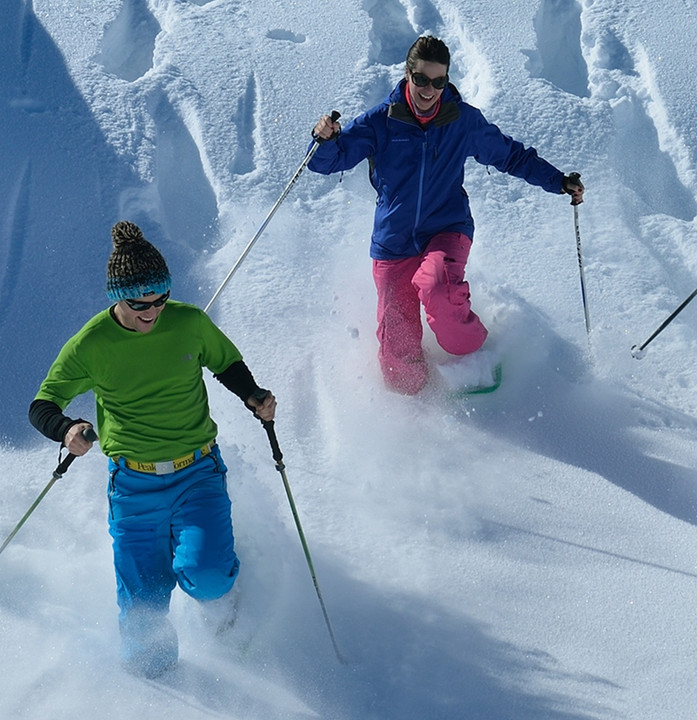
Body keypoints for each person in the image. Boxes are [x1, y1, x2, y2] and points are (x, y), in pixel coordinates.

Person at [29, 221, 277, 678]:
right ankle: (156, 687)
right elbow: (42, 405)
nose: (152, 312)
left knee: (207, 576)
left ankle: (226, 608)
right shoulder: (91, 344)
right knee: (143, 607)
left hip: (197, 472)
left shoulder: (189, 322)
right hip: (133, 486)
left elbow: (226, 363)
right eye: (139, 304)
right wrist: (67, 429)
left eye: (160, 299)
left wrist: (253, 395)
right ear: (117, 298)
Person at [308, 35, 585, 395]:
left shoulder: (461, 120)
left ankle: (473, 357)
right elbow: (328, 162)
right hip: (393, 239)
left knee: (437, 287)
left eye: (439, 81)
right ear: (408, 75)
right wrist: (324, 139)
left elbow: (511, 156)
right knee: (397, 353)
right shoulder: (380, 121)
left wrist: (558, 181)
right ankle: (416, 401)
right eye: (421, 79)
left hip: (446, 227)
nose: (429, 90)